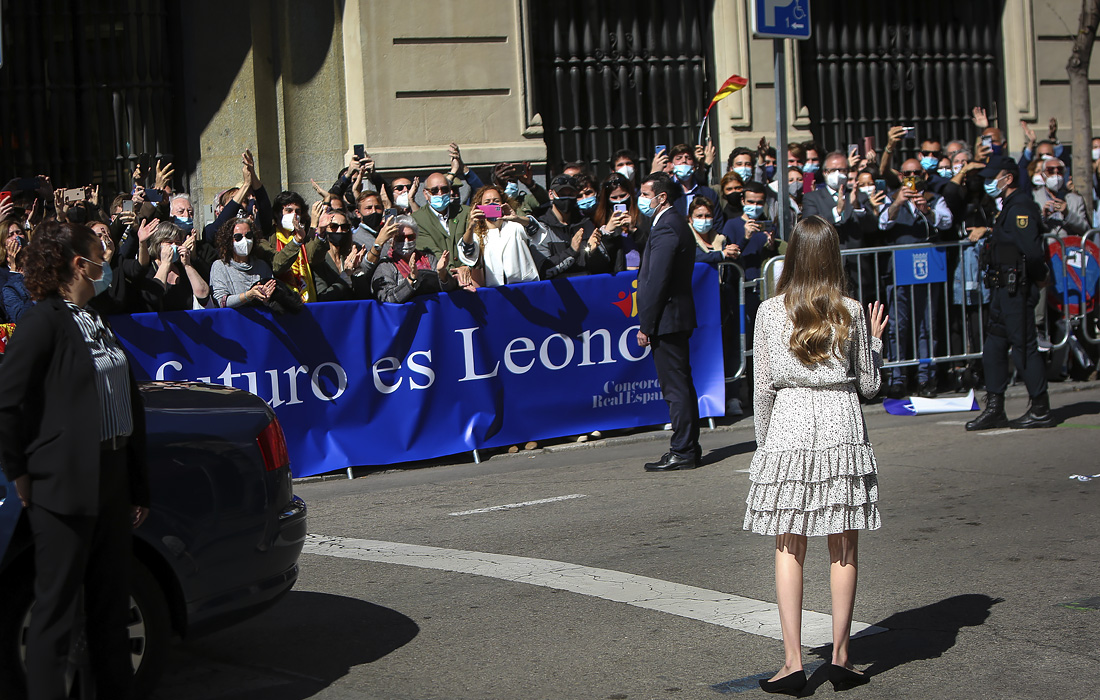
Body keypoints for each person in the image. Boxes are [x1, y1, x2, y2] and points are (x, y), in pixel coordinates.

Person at [0, 220, 150, 700]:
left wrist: (136, 484)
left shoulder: (97, 318)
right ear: (77, 264)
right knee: (57, 613)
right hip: (63, 486)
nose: (106, 260)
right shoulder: (42, 320)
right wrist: (20, 471)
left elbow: (126, 404)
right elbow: (8, 402)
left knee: (109, 610)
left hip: (110, 479)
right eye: (98, 254)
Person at [744, 215, 887, 695]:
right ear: (833, 256)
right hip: (840, 420)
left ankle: (792, 662)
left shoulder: (769, 311)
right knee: (842, 542)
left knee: (790, 541)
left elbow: (762, 388)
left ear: (792, 257)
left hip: (789, 419)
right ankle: (843, 658)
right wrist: (877, 341)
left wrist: (765, 445)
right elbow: (869, 385)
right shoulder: (849, 309)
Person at [967, 155, 1054, 430]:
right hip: (1002, 288)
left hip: (1017, 288)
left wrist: (1040, 279)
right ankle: (995, 407)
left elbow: (1032, 251)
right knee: (994, 346)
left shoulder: (1020, 207)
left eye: (995, 177)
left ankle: (1040, 408)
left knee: (1024, 348)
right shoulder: (1007, 206)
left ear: (1008, 178)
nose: (990, 183)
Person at [636, 172, 701, 472]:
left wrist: (646, 325)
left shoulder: (667, 228)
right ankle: (686, 446)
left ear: (661, 197)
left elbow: (655, 281)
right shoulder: (668, 224)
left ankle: (684, 449)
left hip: (668, 319)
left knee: (675, 388)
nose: (642, 200)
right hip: (673, 317)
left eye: (645, 194)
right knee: (680, 385)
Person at [458, 185, 541, 286]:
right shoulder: (477, 235)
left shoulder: (515, 226)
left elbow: (536, 230)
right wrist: (471, 227)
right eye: (487, 202)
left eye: (496, 200)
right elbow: (467, 252)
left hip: (525, 285)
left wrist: (517, 218)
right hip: (496, 290)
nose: (492, 204)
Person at [372, 216, 459, 302]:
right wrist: (411, 279)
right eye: (400, 238)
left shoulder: (429, 258)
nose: (406, 241)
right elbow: (387, 298)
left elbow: (450, 290)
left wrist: (442, 273)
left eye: (410, 237)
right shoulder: (386, 265)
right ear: (391, 241)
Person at [209, 218, 279, 308]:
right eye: (238, 237)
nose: (245, 240)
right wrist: (248, 295)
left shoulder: (262, 266)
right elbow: (221, 302)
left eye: (249, 235)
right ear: (228, 241)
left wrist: (267, 298)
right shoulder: (220, 266)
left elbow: (272, 301)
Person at [592, 173, 647, 272]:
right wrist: (608, 232)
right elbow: (600, 259)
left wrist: (634, 230)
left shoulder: (642, 214)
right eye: (614, 198)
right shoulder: (601, 218)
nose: (619, 201)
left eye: (623, 196)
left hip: (642, 271)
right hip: (620, 274)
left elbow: (650, 245)